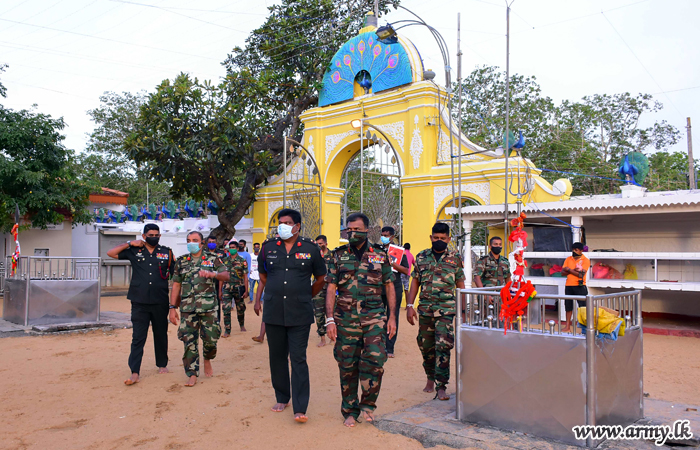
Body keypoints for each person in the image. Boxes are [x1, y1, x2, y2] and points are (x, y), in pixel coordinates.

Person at [254, 209, 326, 423]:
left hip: (300, 313)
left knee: (298, 358)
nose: (281, 226)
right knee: (276, 357)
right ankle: (282, 396)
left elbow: (321, 278)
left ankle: (300, 406)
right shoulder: (267, 248)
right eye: (279, 223)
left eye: (286, 223)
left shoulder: (311, 248)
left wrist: (304, 295)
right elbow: (263, 275)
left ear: (297, 226)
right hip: (274, 311)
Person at [326, 213, 397, 428]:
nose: (352, 233)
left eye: (356, 229)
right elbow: (330, 288)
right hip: (345, 318)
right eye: (349, 229)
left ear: (367, 230)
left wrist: (392, 316)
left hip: (374, 317)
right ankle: (349, 410)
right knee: (347, 364)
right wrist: (329, 319)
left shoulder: (379, 254)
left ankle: (368, 405)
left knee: (376, 359)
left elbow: (389, 285)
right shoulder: (336, 256)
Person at [107, 223, 174, 386]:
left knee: (160, 334)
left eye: (157, 235)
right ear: (143, 236)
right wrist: (130, 243)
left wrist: (174, 303)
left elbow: (175, 275)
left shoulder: (167, 252)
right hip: (139, 301)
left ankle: (162, 364)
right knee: (138, 337)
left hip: (160, 300)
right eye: (151, 234)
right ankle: (135, 371)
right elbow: (111, 253)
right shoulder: (134, 251)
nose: (154, 237)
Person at [406, 223, 466, 401]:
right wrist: (409, 306)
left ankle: (441, 385)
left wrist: (463, 311)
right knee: (426, 346)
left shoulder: (455, 258)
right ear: (431, 237)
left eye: (442, 238)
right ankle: (430, 377)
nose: (439, 241)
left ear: (448, 239)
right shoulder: (421, 257)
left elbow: (460, 285)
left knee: (443, 346)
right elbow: (415, 282)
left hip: (446, 310)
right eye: (436, 238)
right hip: (425, 309)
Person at [168, 231, 229, 387]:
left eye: (195, 240)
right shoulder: (181, 261)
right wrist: (172, 307)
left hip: (208, 307)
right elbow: (176, 285)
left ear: (202, 242)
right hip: (188, 308)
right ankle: (192, 372)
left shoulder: (212, 259)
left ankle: (207, 358)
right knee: (188, 341)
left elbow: (226, 275)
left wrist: (212, 274)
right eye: (189, 240)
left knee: (211, 340)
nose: (191, 243)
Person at [379, 226, 409, 358]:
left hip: (394, 286)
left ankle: (389, 347)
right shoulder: (376, 250)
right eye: (382, 234)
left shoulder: (399, 251)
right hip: (379, 287)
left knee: (392, 315)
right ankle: (378, 344)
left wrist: (393, 264)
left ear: (392, 237)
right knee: (378, 316)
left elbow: (406, 270)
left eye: (386, 235)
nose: (384, 237)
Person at [221, 238, 249, 334]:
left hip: (239, 288)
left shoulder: (242, 261)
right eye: (230, 247)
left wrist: (246, 290)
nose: (231, 249)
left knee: (240, 308)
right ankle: (227, 330)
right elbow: (221, 276)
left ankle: (242, 324)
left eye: (233, 247)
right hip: (227, 288)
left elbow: (245, 276)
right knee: (226, 309)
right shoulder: (224, 261)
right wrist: (220, 290)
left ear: (237, 248)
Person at [561, 242, 591, 332]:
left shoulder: (585, 260)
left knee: (583, 307)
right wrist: (572, 271)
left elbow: (581, 274)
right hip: (569, 286)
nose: (574, 251)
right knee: (568, 307)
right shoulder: (568, 259)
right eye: (573, 250)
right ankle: (567, 327)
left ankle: (585, 328)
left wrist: (569, 270)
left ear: (581, 251)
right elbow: (562, 273)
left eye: (576, 250)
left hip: (580, 286)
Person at [312, 235, 333, 347]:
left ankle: (333, 336)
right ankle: (322, 338)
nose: (319, 245)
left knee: (333, 313)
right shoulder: (315, 256)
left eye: (321, 243)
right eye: (317, 244)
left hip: (331, 289)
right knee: (319, 314)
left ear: (326, 243)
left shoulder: (333, 256)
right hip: (318, 290)